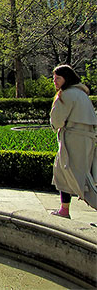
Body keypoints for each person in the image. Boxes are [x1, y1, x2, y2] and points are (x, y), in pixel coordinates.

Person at [49, 65, 97, 219]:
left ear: (66, 78)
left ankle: (65, 209)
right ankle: (64, 209)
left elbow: (56, 120)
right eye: (54, 78)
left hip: (71, 141)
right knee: (82, 174)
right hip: (86, 139)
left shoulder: (66, 95)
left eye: (58, 78)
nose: (55, 81)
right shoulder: (82, 95)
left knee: (68, 173)